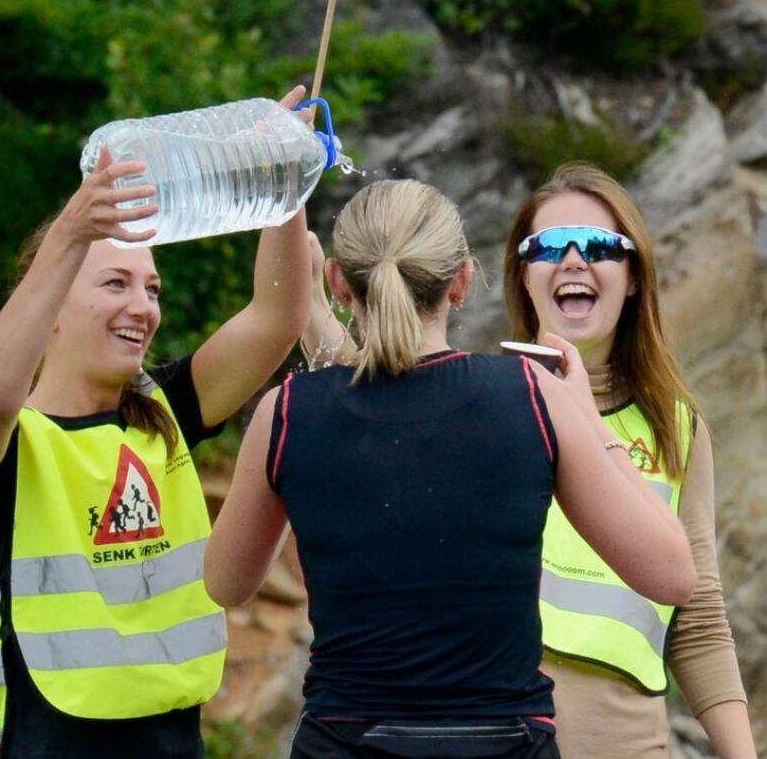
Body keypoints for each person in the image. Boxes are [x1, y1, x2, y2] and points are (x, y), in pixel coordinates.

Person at [206, 179, 695, 758]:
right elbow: (672, 575)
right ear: (462, 280)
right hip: (504, 744)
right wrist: (588, 419)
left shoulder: (287, 413)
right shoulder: (532, 397)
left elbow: (226, 583)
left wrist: (311, 309)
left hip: (345, 740)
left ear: (340, 282)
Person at [0, 87, 315, 757]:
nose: (143, 306)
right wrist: (72, 232)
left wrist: (282, 180)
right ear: (48, 308)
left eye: (152, 288)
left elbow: (275, 321)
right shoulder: (8, 446)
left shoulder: (163, 408)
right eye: (115, 284)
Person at [503, 163, 756, 758]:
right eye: (548, 246)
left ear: (635, 275)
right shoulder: (481, 398)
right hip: (494, 729)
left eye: (597, 245)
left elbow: (697, 624)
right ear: (525, 274)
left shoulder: (678, 428)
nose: (572, 259)